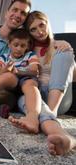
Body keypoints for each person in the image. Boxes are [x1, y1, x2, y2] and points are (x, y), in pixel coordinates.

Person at [9, 11, 76, 155]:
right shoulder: (26, 50)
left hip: (59, 96)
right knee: (24, 97)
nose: (39, 32)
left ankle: (51, 113)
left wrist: (69, 59)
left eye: (41, 25)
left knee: (65, 53)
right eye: (33, 29)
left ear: (47, 23)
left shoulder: (60, 46)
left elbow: (72, 77)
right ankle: (66, 138)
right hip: (36, 95)